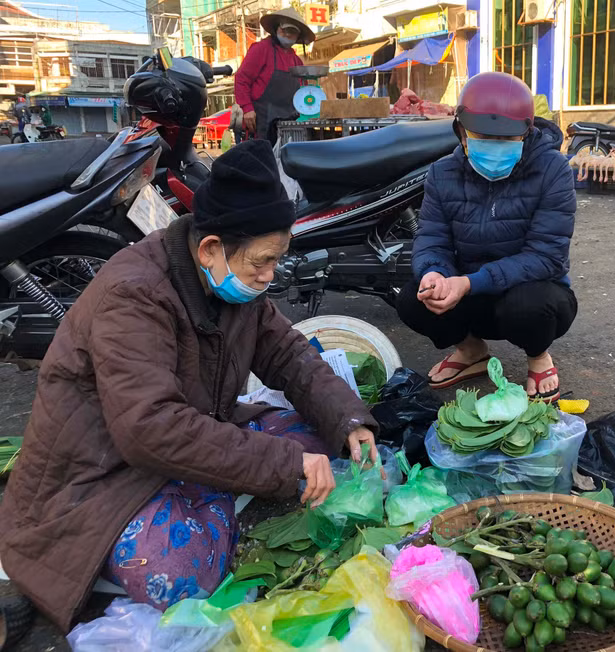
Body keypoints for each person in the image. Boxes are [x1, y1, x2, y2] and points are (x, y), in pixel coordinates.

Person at [0, 140, 379, 630]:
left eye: (276, 260)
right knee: (178, 572)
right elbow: (149, 429)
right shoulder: (133, 295)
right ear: (210, 249)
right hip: (102, 475)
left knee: (319, 442)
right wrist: (280, 465)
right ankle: (209, 504)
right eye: (262, 261)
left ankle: (212, 494)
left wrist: (347, 419)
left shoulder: (234, 282)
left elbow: (287, 354)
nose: (270, 276)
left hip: (191, 436)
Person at [396, 72, 577, 402]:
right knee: (414, 298)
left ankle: (538, 355)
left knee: (528, 307)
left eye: (507, 139)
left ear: (526, 132)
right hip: (469, 292)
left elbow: (547, 256)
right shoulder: (441, 173)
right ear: (461, 132)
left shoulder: (553, 170)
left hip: (530, 293)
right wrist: (435, 273)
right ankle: (470, 351)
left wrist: (468, 283)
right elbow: (432, 237)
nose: (494, 146)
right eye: (483, 136)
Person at [234, 7, 314, 144]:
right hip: (261, 123)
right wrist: (247, 109)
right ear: (276, 29)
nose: (288, 34)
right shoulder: (261, 49)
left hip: (289, 126)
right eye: (285, 29)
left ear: (298, 36)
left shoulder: (296, 61)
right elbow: (241, 80)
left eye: (293, 31)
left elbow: (303, 93)